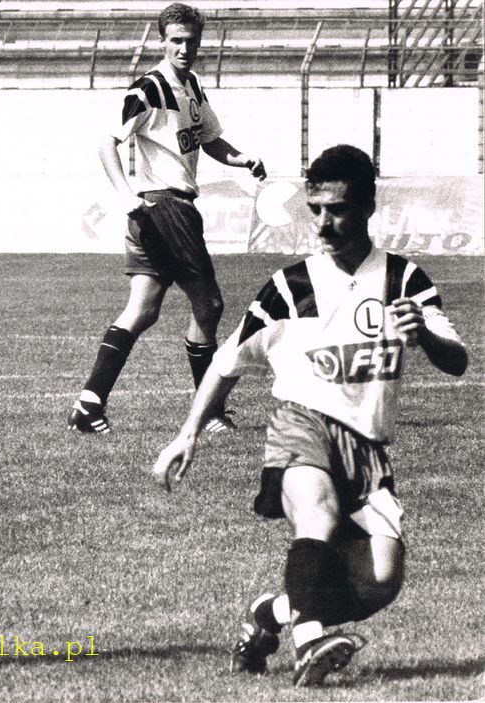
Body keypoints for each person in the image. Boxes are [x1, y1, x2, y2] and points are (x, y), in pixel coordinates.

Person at [151, 144, 468, 686]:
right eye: (315, 208)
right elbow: (226, 365)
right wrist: (187, 435)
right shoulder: (288, 288)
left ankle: (269, 615)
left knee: (381, 581)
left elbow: (456, 361)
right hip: (301, 427)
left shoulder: (406, 281)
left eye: (337, 209)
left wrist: (424, 336)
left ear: (367, 207)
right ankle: (310, 642)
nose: (323, 222)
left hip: (367, 445)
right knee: (316, 513)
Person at [67, 2, 267, 435]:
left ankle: (89, 403)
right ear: (163, 41)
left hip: (160, 212)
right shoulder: (149, 88)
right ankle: (209, 412)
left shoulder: (191, 86)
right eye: (176, 40)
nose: (184, 48)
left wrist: (243, 158)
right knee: (209, 304)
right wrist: (125, 195)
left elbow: (211, 141)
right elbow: (107, 143)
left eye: (191, 40)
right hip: (165, 209)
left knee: (142, 310)